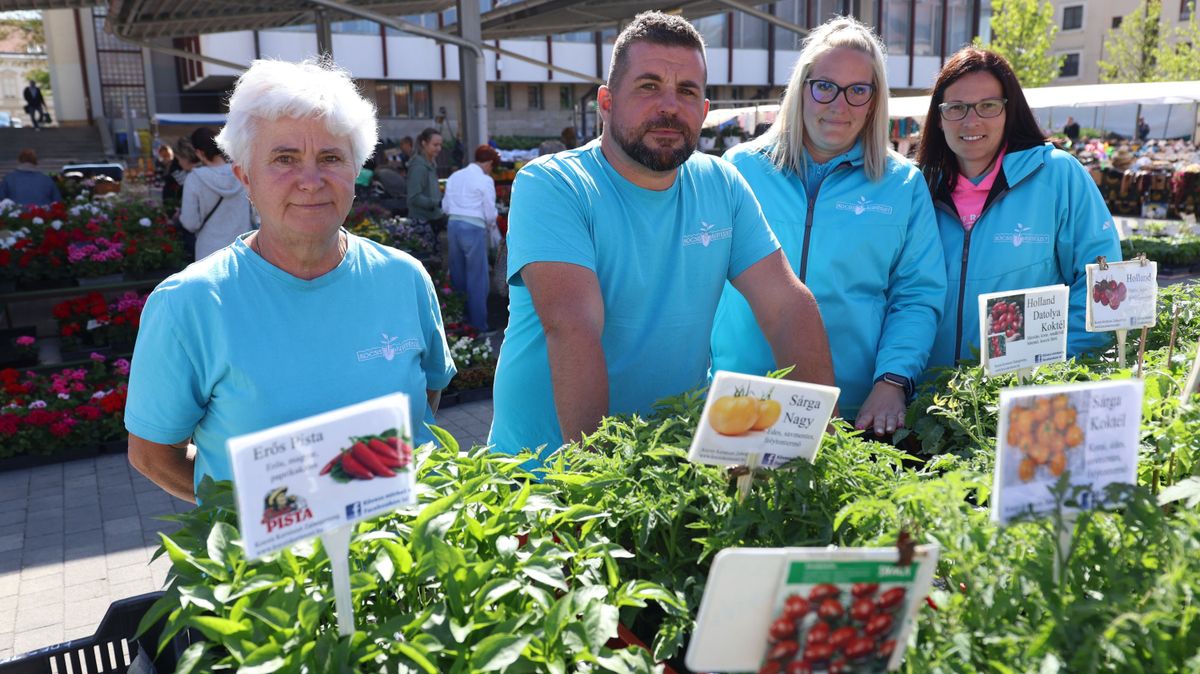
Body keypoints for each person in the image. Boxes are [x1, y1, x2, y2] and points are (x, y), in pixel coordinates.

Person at [489, 11, 836, 459]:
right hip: (545, 474)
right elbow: (572, 326)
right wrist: (599, 485)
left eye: (687, 91)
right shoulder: (554, 185)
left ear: (705, 111)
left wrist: (824, 443)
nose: (669, 106)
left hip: (672, 464)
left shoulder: (722, 184)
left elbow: (788, 306)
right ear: (607, 102)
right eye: (649, 86)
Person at [125, 59, 457, 503]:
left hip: (404, 556)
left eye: (331, 157)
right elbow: (152, 455)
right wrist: (258, 513)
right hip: (275, 569)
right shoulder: (190, 304)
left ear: (355, 172)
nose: (311, 180)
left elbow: (424, 405)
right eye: (284, 159)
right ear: (245, 177)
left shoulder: (404, 278)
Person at [711, 17, 946, 437]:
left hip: (852, 409)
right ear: (801, 89)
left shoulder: (902, 185)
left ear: (875, 101)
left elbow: (917, 296)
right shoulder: (740, 170)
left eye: (858, 90)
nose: (840, 105)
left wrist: (892, 381)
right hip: (742, 401)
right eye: (825, 87)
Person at [915, 47, 1121, 370]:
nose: (971, 120)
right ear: (939, 119)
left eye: (988, 106)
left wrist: (1054, 365)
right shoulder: (918, 187)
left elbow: (1100, 279)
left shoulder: (1057, 176)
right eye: (956, 107)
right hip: (927, 402)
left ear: (1009, 112)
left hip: (1022, 394)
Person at [442, 144, 500, 332]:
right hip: (474, 227)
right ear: (490, 163)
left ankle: (459, 321)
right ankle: (478, 326)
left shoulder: (454, 176)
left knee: (458, 276)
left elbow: (445, 207)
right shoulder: (485, 180)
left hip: (453, 226)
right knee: (477, 279)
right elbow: (490, 213)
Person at [178, 127, 254, 260]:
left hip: (209, 255)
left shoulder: (195, 178)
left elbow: (191, 223)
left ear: (199, 152)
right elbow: (255, 215)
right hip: (242, 251)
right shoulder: (242, 173)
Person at [405, 127, 445, 255]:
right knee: (428, 260)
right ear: (424, 143)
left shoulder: (430, 164)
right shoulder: (418, 167)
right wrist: (436, 203)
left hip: (432, 219)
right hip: (422, 222)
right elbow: (414, 197)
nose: (439, 148)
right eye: (435, 145)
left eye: (440, 145)